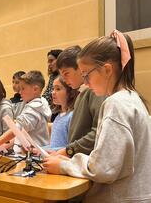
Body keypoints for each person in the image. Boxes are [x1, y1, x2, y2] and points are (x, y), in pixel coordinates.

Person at [43, 31, 151, 203]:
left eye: (87, 75)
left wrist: (64, 165)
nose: (85, 82)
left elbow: (103, 168)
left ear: (107, 70)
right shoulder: (133, 98)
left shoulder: (116, 103)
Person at [0, 71, 51, 155]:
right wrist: (5, 145)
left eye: (23, 88)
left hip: (35, 156)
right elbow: (20, 133)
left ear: (35, 89)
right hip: (28, 153)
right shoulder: (34, 105)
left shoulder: (34, 108)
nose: (20, 92)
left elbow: (16, 130)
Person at [53, 45, 105, 158]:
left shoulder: (95, 92)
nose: (65, 80)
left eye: (66, 73)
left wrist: (69, 150)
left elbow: (98, 132)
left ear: (81, 69)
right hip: (77, 159)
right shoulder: (81, 93)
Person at [47, 76, 78, 149]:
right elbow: (54, 146)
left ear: (70, 92)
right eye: (53, 89)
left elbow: (70, 147)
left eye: (58, 89)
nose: (53, 93)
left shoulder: (72, 116)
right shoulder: (58, 116)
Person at [42, 49, 62, 122]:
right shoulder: (52, 76)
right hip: (52, 110)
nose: (49, 64)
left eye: (51, 60)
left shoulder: (63, 76)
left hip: (61, 109)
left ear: (59, 60)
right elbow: (47, 93)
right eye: (48, 61)